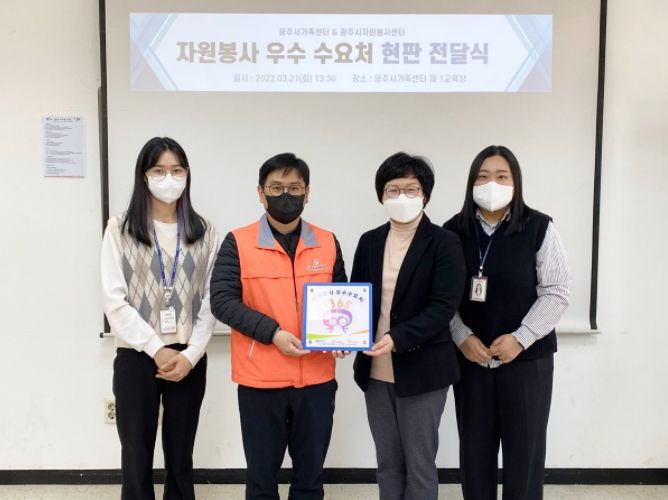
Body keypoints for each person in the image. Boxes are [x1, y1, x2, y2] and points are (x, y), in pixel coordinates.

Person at [209, 153, 347, 500]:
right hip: (260, 381)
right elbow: (222, 301)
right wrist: (273, 333)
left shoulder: (328, 241)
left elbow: (341, 298)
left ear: (307, 193)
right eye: (276, 188)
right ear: (261, 193)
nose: (286, 195)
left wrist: (343, 337)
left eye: (294, 188)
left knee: (310, 481)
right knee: (261, 482)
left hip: (316, 380)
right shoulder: (238, 241)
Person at [444, 145, 571, 500]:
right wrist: (461, 336)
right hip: (471, 361)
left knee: (525, 455)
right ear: (471, 183)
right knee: (475, 456)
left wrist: (521, 337)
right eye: (483, 176)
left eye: (502, 176)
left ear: (516, 182)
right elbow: (441, 296)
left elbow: (557, 291)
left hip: (527, 362)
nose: (492, 184)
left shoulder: (539, 227)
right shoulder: (452, 231)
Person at [101, 137, 219, 500]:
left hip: (188, 358)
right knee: (135, 456)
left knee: (181, 457)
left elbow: (213, 300)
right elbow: (114, 301)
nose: (169, 178)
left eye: (177, 170)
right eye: (159, 170)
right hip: (137, 356)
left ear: (187, 175)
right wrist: (156, 348)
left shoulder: (205, 231)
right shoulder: (119, 229)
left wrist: (191, 354)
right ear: (144, 176)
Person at [350, 152, 466, 500]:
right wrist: (344, 338)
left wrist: (397, 338)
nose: (401, 196)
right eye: (393, 189)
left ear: (425, 194)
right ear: (382, 196)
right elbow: (356, 298)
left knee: (419, 464)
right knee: (387, 462)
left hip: (423, 369)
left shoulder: (444, 242)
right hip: (375, 370)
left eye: (411, 189)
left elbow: (443, 307)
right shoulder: (369, 241)